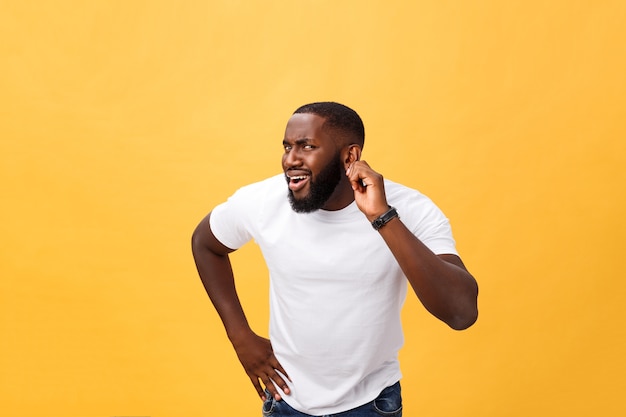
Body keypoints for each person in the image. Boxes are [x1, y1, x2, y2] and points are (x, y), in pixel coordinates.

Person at [191, 102, 479, 416]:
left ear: (349, 156)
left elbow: (461, 312)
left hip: (371, 404)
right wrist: (240, 335)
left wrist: (382, 217)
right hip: (287, 402)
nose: (291, 159)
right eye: (287, 147)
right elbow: (205, 244)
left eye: (307, 146)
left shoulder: (409, 208)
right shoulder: (263, 200)